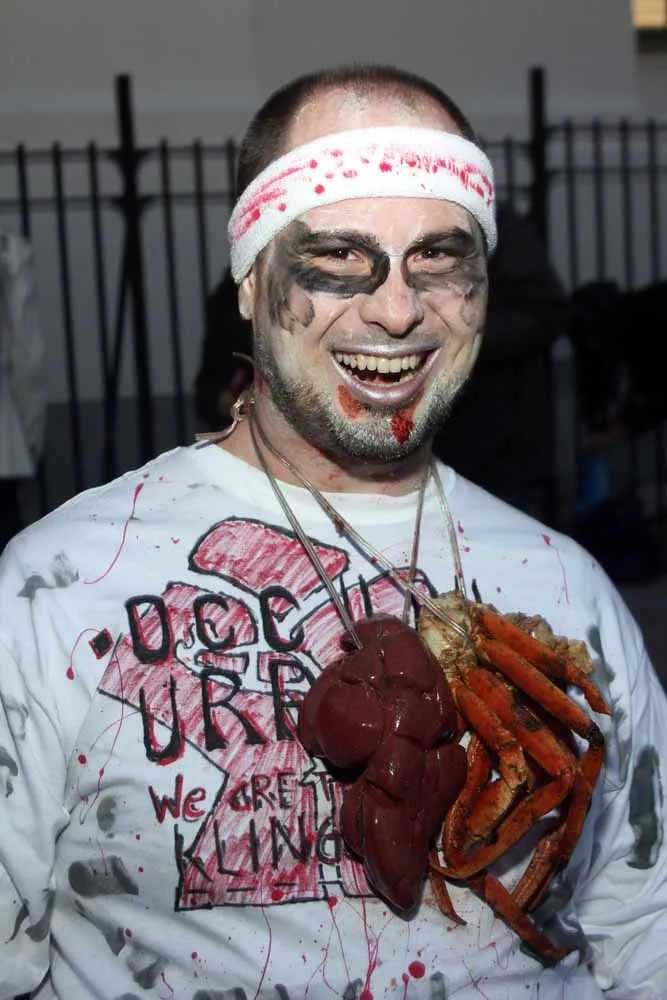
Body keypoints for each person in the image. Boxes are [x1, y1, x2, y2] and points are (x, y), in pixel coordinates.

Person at [0, 64, 666, 1000]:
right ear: (249, 282)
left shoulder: (567, 588)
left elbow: (642, 927)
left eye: (437, 256)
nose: (395, 308)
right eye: (338, 256)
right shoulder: (60, 588)